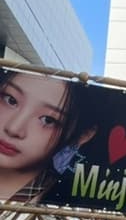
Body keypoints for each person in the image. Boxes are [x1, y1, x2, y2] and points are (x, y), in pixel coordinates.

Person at [0, 70, 97, 202]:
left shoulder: (56, 204)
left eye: (48, 120)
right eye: (11, 100)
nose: (13, 129)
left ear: (83, 136)